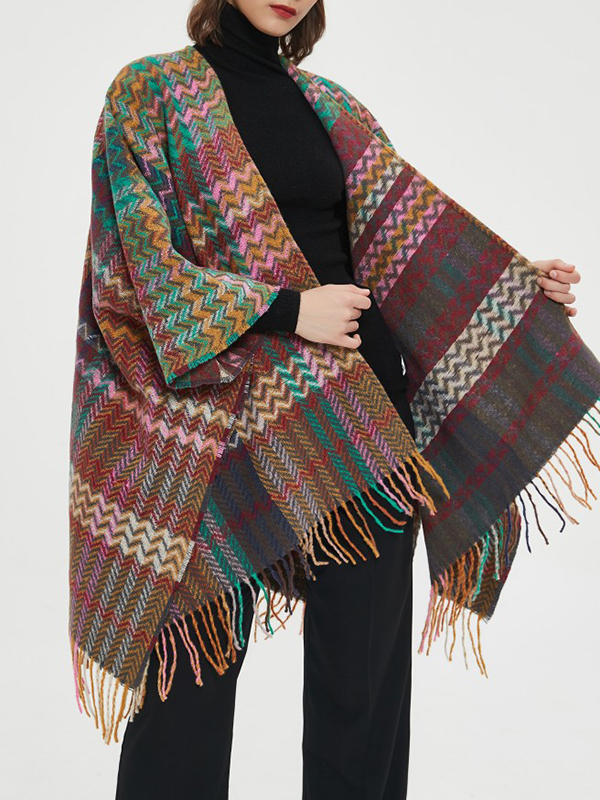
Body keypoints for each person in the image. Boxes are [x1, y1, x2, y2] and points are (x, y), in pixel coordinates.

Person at [75, 2, 579, 798]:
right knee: (184, 697)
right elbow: (135, 275)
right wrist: (287, 311)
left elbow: (405, 252)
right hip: (211, 430)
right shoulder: (150, 94)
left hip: (361, 428)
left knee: (361, 697)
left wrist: (516, 283)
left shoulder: (334, 107)